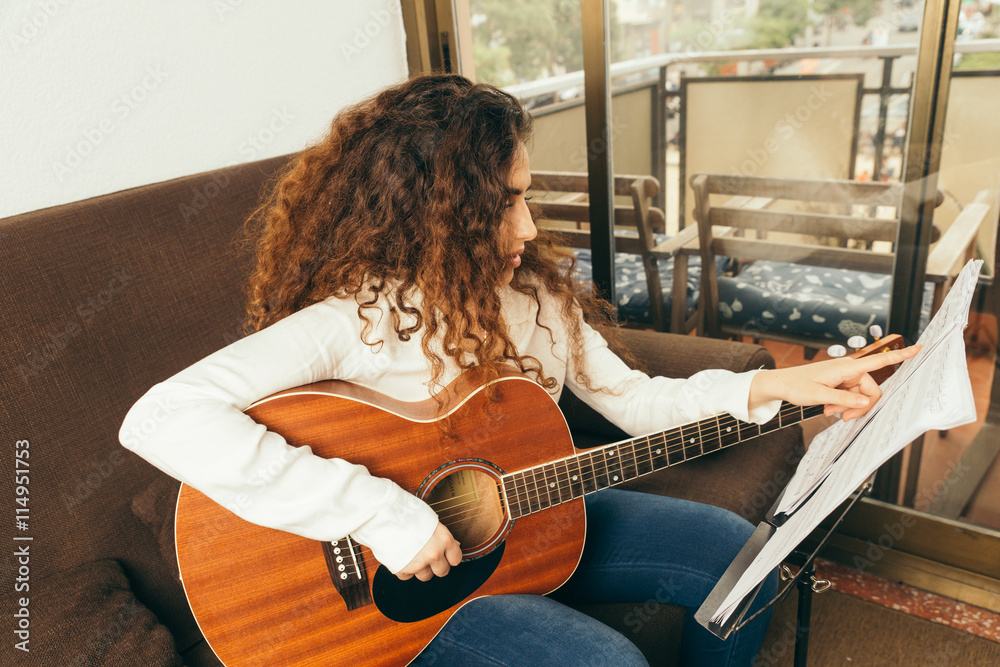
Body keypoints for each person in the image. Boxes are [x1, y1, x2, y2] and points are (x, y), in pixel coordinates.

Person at [120, 74, 918, 666]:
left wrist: (784, 386)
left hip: (537, 519)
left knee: (745, 559)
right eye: (504, 203)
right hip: (404, 593)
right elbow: (159, 416)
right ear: (435, 212)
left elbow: (633, 399)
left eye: (526, 196)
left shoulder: (534, 295)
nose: (528, 226)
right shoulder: (355, 320)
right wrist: (379, 514)